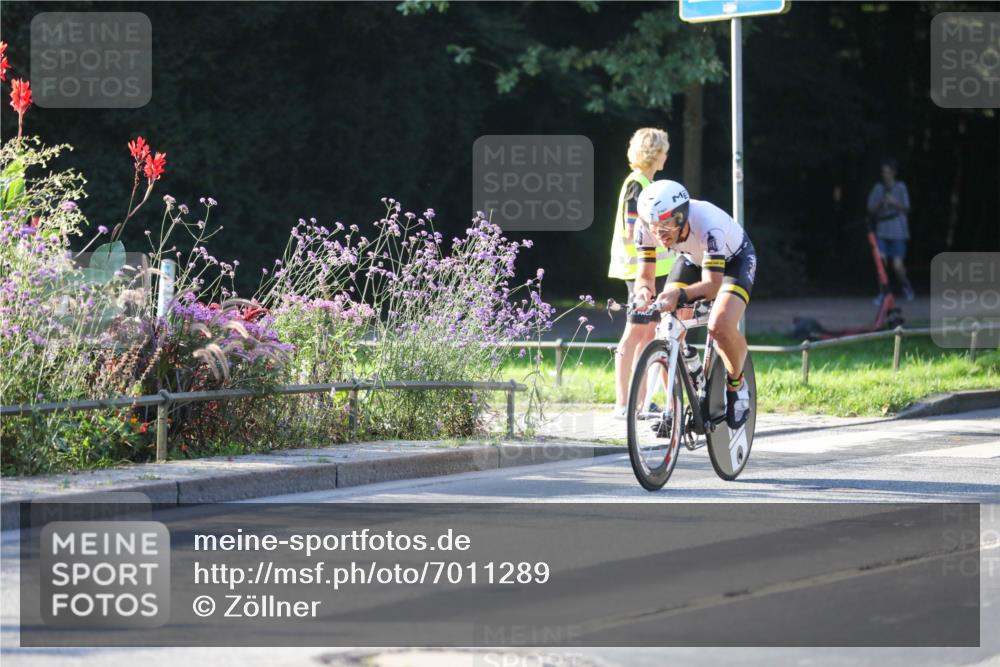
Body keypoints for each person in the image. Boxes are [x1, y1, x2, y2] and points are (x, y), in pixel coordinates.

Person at [635, 180, 757, 430]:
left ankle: (736, 385)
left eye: (666, 224)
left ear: (682, 216)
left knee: (719, 325)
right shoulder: (644, 225)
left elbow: (712, 286)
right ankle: (675, 408)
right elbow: (645, 276)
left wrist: (677, 295)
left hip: (735, 261)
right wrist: (643, 293)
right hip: (692, 259)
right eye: (654, 226)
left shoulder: (709, 225)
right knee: (668, 327)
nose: (659, 233)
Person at [608, 128, 674, 418]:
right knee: (635, 331)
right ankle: (623, 403)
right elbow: (635, 230)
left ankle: (642, 402)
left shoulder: (646, 183)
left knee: (647, 333)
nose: (666, 155)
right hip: (639, 272)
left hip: (652, 270)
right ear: (653, 153)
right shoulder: (638, 185)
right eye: (664, 150)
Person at [866, 158, 914, 302]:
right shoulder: (877, 189)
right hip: (881, 229)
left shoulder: (900, 187)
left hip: (898, 229)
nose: (885, 175)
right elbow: (870, 209)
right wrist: (881, 203)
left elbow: (907, 208)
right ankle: (884, 293)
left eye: (887, 172)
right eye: (883, 172)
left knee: (897, 266)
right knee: (881, 261)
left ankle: (906, 286)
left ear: (893, 173)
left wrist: (894, 202)